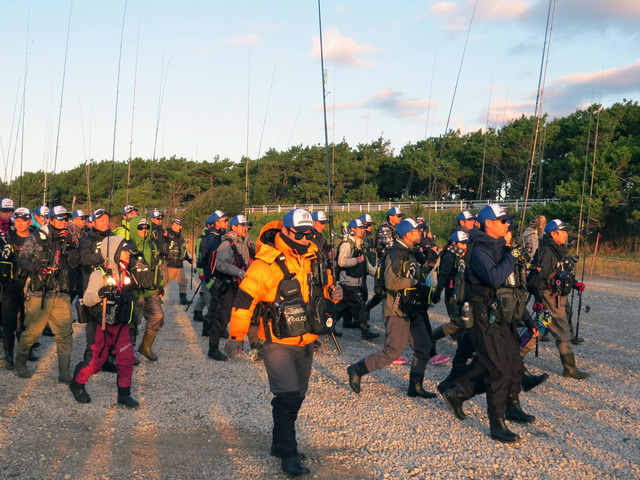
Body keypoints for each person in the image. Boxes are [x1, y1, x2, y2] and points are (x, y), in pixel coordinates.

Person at [224, 209, 342, 477]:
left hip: (307, 338)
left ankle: (279, 444)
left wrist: (335, 293)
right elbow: (244, 300)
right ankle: (288, 454)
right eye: (298, 234)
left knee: (298, 395)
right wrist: (235, 336)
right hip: (276, 341)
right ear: (286, 231)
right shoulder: (265, 263)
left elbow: (324, 289)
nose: (304, 239)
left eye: (308, 234)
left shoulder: (314, 257)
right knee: (287, 396)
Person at [439, 204, 531, 443]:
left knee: (512, 364)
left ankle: (460, 394)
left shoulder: (499, 247)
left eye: (508, 221)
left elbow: (512, 285)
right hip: (485, 318)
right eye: (503, 221)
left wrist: (527, 318)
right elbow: (494, 277)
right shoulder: (479, 249)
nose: (508, 225)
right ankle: (496, 423)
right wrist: (512, 256)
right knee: (497, 370)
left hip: (503, 316)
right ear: (489, 223)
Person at [347, 218, 437, 400]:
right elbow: (391, 282)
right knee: (393, 351)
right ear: (407, 234)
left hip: (411, 307)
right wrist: (415, 283)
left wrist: (429, 266)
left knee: (424, 346)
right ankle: (357, 369)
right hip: (396, 308)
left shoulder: (410, 251)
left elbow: (416, 275)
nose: (420, 233)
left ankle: (415, 386)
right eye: (417, 231)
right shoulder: (395, 253)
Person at [69, 236, 139, 408]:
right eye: (125, 251)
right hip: (100, 325)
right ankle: (77, 384)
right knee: (95, 363)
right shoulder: (98, 274)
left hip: (120, 324)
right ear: (114, 253)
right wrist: (100, 293)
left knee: (126, 360)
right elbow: (87, 300)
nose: (128, 254)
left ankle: (124, 395)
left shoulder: (126, 273)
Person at [14, 206, 80, 383]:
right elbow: (22, 259)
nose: (63, 221)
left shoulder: (69, 238)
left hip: (61, 293)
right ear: (50, 220)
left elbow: (75, 263)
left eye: (65, 218)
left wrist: (71, 245)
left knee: (65, 332)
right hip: (39, 293)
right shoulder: (36, 236)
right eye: (59, 218)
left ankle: (64, 373)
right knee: (32, 332)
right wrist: (38, 268)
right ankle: (20, 363)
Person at [533, 219, 588, 379]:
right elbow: (539, 278)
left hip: (556, 295)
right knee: (562, 331)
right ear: (553, 234)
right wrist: (539, 299)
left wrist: (575, 284)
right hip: (551, 297)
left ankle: (514, 356)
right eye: (563, 232)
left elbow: (559, 274)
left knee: (539, 328)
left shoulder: (557, 250)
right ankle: (569, 368)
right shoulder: (548, 252)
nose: (566, 235)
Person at [207, 214, 253, 360]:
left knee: (249, 315)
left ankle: (255, 347)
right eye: (243, 225)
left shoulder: (247, 242)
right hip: (229, 285)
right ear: (234, 227)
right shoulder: (226, 244)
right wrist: (239, 272)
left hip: (244, 285)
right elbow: (220, 264)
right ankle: (212, 349)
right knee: (223, 316)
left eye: (247, 225)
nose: (246, 228)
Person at [1, 207, 38, 368]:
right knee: (8, 320)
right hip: (10, 284)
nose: (20, 223)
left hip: (30, 284)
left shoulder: (37, 238)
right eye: (17, 220)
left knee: (28, 320)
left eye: (23, 220)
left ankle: (26, 350)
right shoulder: (5, 238)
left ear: (30, 221)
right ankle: (8, 353)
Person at [78, 208, 116, 363]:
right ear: (93, 223)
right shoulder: (86, 240)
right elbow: (85, 259)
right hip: (92, 284)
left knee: (111, 321)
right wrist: (104, 255)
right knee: (93, 324)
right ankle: (90, 359)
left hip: (112, 283)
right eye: (101, 220)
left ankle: (108, 358)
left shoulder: (114, 237)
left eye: (107, 220)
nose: (105, 223)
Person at [126, 216, 165, 362]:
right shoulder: (127, 246)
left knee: (158, 317)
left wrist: (160, 285)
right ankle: (128, 353)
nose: (144, 230)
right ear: (134, 228)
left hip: (151, 290)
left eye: (147, 227)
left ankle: (145, 347)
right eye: (140, 227)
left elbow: (157, 267)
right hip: (134, 291)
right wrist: (132, 263)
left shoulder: (152, 245)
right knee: (132, 323)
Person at [335, 218, 380, 340]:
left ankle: (329, 326)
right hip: (349, 282)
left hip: (356, 282)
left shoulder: (360, 244)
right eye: (360, 228)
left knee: (342, 307)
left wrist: (378, 273)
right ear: (352, 229)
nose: (362, 230)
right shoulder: (347, 244)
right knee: (359, 306)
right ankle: (365, 331)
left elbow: (366, 264)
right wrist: (356, 260)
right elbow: (341, 262)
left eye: (362, 228)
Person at [365, 207, 403, 318]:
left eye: (400, 216)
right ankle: (367, 308)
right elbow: (390, 246)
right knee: (382, 291)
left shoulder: (395, 228)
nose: (400, 218)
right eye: (398, 216)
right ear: (390, 216)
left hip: (393, 262)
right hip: (385, 265)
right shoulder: (385, 229)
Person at [200, 210, 229, 337]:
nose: (227, 222)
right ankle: (218, 329)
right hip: (214, 275)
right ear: (216, 223)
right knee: (219, 303)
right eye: (224, 220)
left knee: (215, 303)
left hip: (216, 274)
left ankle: (207, 328)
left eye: (227, 220)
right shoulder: (212, 238)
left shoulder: (220, 235)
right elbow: (216, 258)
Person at [163, 218, 191, 305]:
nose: (174, 226)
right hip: (170, 264)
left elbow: (183, 251)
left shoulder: (181, 238)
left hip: (179, 265)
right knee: (164, 282)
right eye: (173, 224)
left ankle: (183, 299)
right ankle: (156, 298)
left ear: (180, 227)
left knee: (183, 282)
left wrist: (189, 260)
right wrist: (165, 235)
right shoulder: (168, 234)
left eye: (177, 225)